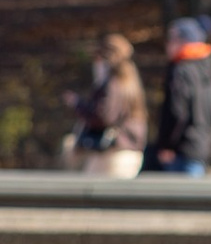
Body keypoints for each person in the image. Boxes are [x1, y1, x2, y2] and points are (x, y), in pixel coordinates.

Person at [61, 31, 148, 180]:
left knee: (91, 196)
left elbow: (104, 116)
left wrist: (78, 104)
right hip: (131, 151)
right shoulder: (131, 80)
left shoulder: (113, 83)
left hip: (113, 152)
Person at [147, 16, 211, 175]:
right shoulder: (208, 69)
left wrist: (167, 146)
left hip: (179, 153)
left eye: (171, 38)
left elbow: (177, 112)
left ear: (183, 41)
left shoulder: (181, 70)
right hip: (201, 148)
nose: (167, 44)